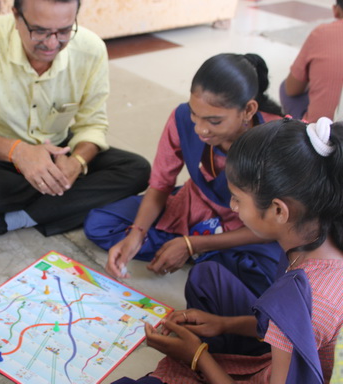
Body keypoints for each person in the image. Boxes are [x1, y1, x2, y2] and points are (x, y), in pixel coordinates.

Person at [113, 117, 343, 384]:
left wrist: (197, 357)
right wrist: (223, 323)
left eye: (238, 198)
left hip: (279, 372)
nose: (233, 208)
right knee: (207, 275)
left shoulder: (301, 300)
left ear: (279, 210)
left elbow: (288, 326)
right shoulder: (319, 235)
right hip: (281, 357)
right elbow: (283, 329)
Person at [0, 0, 150, 248]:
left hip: (58, 151)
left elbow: (93, 124)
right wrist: (19, 152)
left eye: (63, 31)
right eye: (39, 30)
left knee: (137, 170)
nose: (51, 43)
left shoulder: (91, 50)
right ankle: (62, 202)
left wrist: (76, 163)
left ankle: (11, 219)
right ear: (16, 16)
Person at [84, 53, 285, 297]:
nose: (200, 128)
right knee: (101, 223)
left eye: (214, 121)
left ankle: (200, 252)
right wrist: (136, 235)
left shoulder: (279, 139)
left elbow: (274, 227)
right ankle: (203, 255)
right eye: (194, 114)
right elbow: (160, 184)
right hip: (192, 208)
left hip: (248, 228)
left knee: (264, 279)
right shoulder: (180, 118)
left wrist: (191, 244)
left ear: (248, 109)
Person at [279, 0, 343, 122]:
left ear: (336, 11)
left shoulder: (321, 33)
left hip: (319, 133)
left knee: (286, 87)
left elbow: (291, 89)